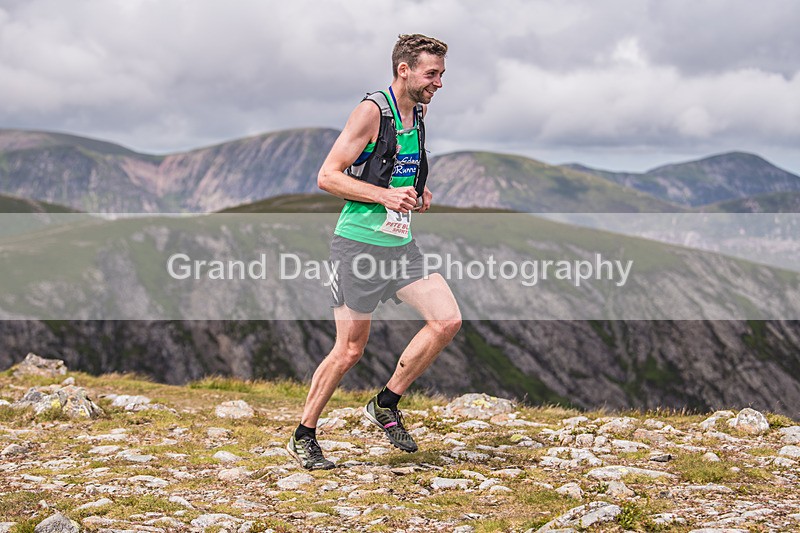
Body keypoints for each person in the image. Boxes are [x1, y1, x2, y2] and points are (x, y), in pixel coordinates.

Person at [287, 34, 461, 470]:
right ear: (404, 70)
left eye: (441, 74)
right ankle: (304, 434)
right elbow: (328, 176)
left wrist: (417, 193)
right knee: (349, 351)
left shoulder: (416, 111)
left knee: (446, 320)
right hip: (357, 247)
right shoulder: (372, 112)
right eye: (431, 74)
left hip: (400, 245)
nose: (439, 83)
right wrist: (384, 198)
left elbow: (399, 169)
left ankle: (385, 402)